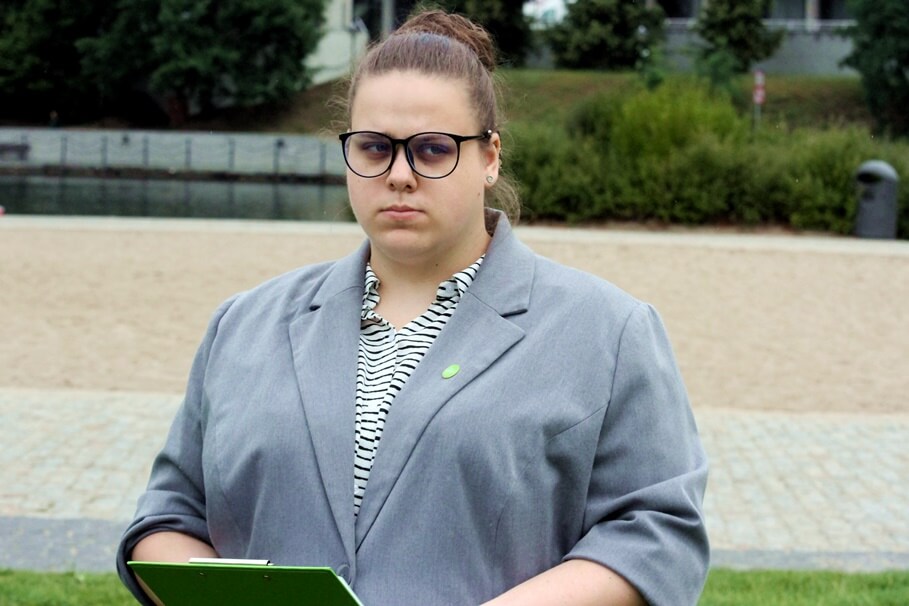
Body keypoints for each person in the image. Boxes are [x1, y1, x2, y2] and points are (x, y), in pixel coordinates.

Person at [116, 9, 709, 606]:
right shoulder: (243, 325)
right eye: (374, 148)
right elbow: (168, 519)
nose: (399, 175)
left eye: (431, 150)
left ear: (490, 157)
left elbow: (657, 535)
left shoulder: (608, 332)